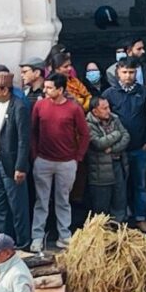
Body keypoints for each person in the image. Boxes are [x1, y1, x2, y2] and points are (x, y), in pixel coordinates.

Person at [30, 73, 89, 252]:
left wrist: (77, 157)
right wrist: (35, 155)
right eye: (45, 87)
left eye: (49, 88)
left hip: (67, 162)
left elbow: (85, 134)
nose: (45, 91)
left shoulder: (74, 108)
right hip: (43, 161)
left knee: (63, 200)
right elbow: (33, 131)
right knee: (41, 200)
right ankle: (37, 236)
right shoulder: (39, 105)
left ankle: (64, 236)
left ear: (61, 89)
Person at [102, 58, 146, 234]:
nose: (128, 76)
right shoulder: (109, 94)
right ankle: (120, 218)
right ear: (118, 73)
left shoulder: (145, 93)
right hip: (118, 149)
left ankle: (140, 217)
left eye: (131, 72)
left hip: (140, 147)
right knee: (119, 185)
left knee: (140, 184)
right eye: (124, 72)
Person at [0, 70, 32, 250]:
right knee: (0, 205)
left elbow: (23, 140)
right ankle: (3, 242)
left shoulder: (18, 107)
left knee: (17, 206)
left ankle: (22, 244)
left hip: (11, 164)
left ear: (5, 90)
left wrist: (20, 167)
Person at [84, 96, 130, 223]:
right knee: (101, 204)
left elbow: (126, 136)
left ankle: (119, 227)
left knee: (119, 198)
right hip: (100, 170)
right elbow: (99, 143)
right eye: (104, 108)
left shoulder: (114, 118)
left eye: (108, 107)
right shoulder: (88, 123)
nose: (108, 111)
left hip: (117, 164)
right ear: (95, 111)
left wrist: (113, 148)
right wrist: (117, 134)